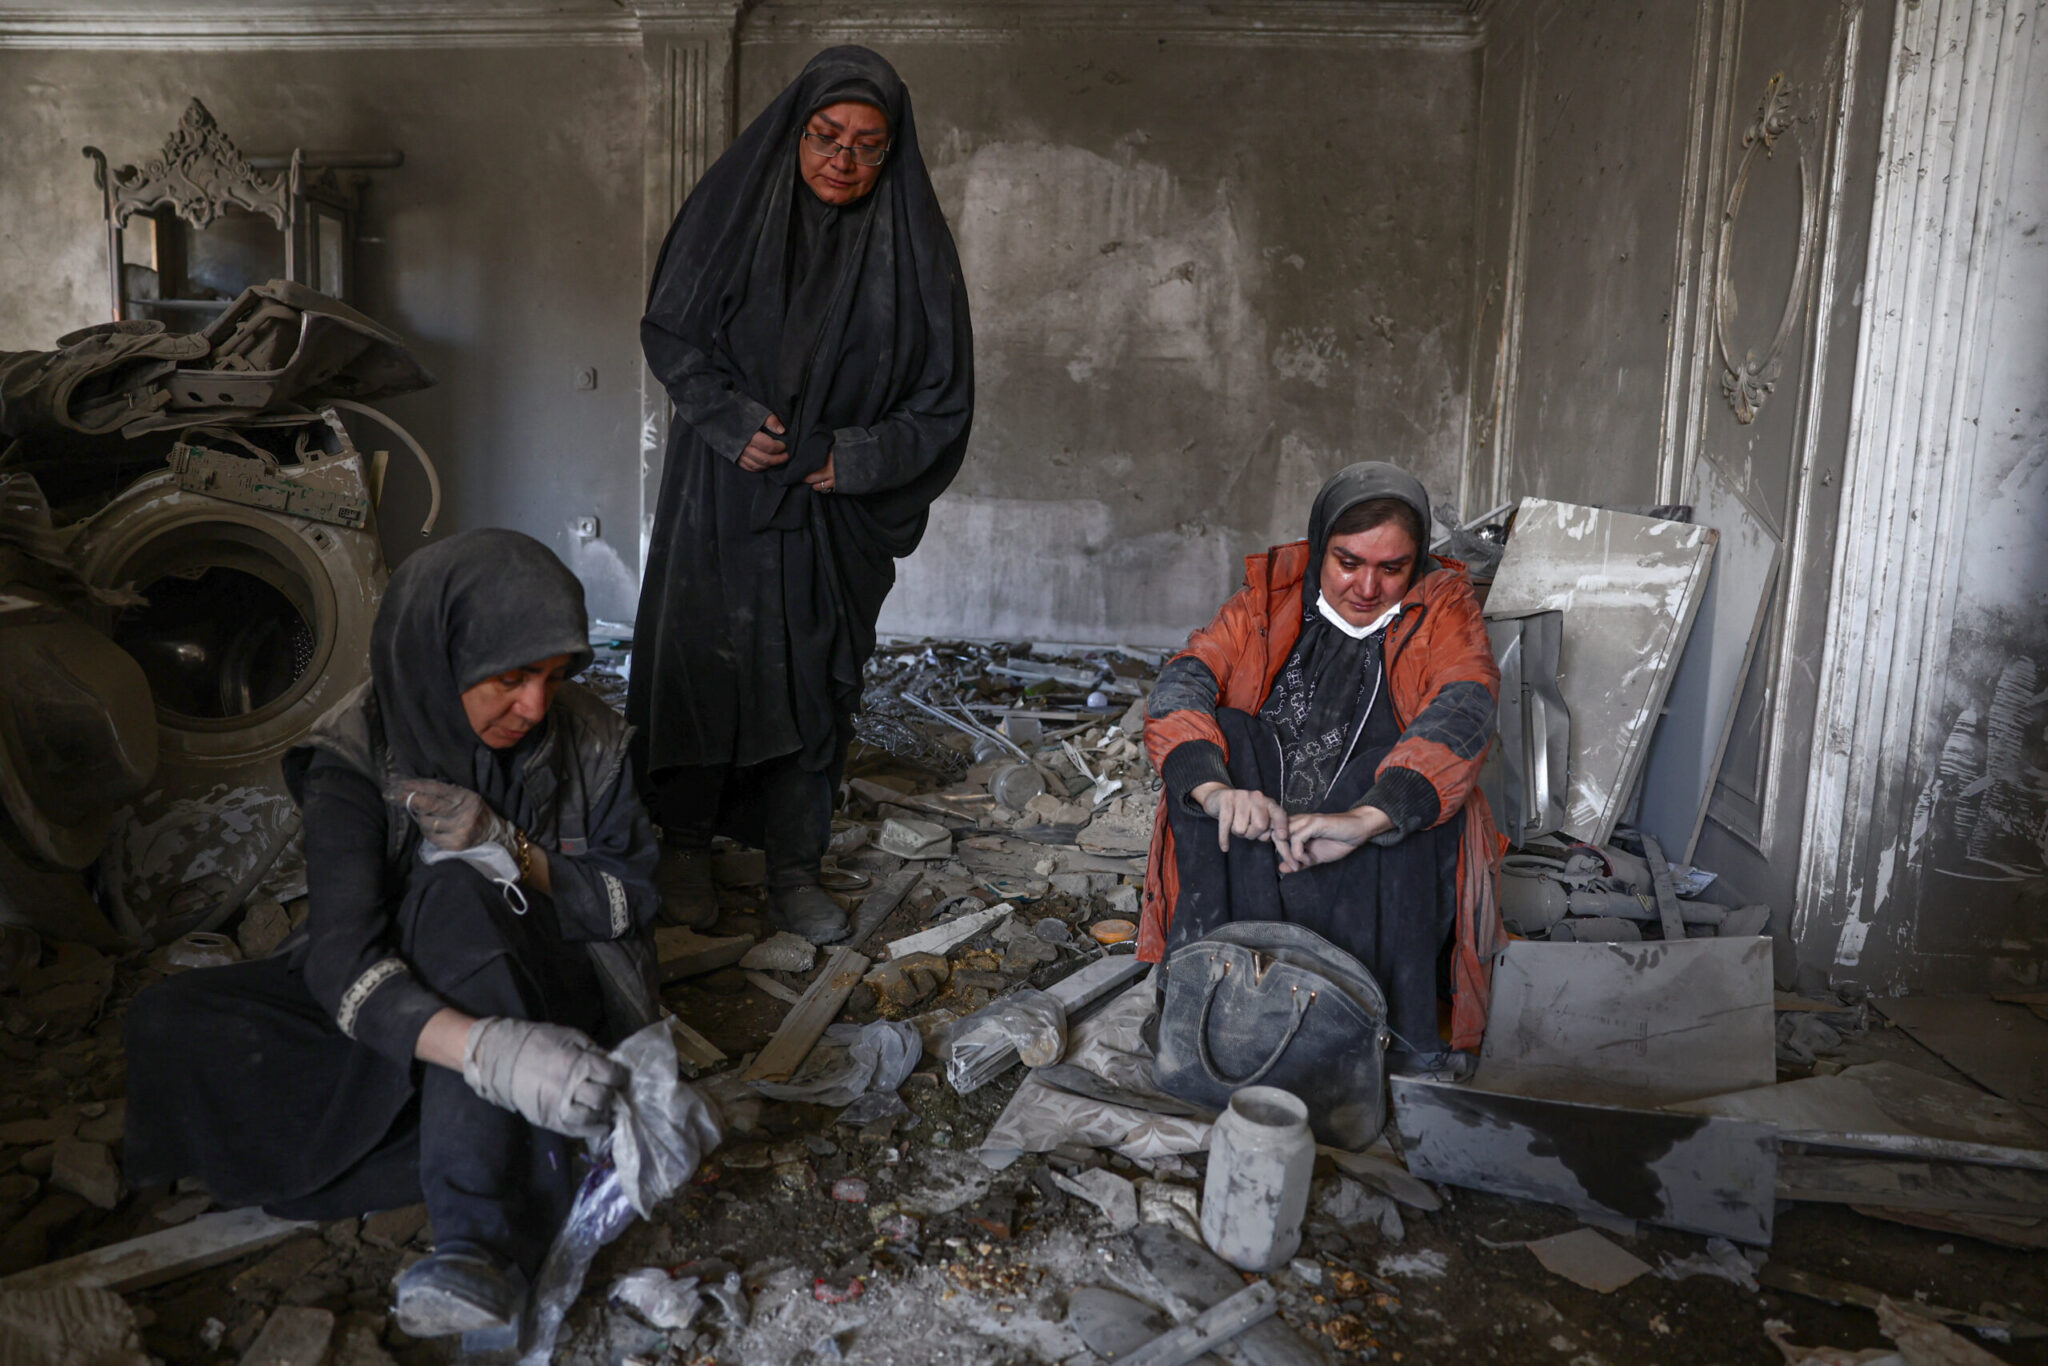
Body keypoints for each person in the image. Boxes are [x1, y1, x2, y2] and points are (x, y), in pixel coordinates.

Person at [123, 529, 714, 1340]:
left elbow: (631, 901)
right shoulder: (355, 754)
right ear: (438, 655)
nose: (536, 707)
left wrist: (512, 850)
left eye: (552, 677)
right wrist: (490, 1054)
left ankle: (481, 1241)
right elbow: (343, 959)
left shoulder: (593, 743)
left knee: (457, 888)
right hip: (421, 1006)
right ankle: (500, 1125)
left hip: (547, 990)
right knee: (170, 1018)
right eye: (510, 679)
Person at [627, 45, 974, 945]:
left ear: (892, 152)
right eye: (826, 136)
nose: (842, 160)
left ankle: (792, 865)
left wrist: (851, 457)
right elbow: (671, 331)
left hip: (830, 512)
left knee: (815, 679)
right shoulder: (732, 214)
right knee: (703, 663)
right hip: (723, 491)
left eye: (867, 144)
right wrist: (725, 417)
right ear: (794, 133)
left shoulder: (915, 252)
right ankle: (686, 845)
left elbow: (942, 404)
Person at [1137, 463, 1506, 1075]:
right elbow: (1183, 683)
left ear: (1416, 562)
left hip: (1363, 844)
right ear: (1320, 546)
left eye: (1392, 568)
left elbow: (1464, 705)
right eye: (1348, 562)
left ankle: (1379, 1041)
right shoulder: (1270, 598)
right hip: (1260, 832)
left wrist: (1369, 818)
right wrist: (1216, 790)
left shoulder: (1442, 605)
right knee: (1225, 737)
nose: (1367, 587)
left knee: (1407, 786)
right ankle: (1209, 1004)